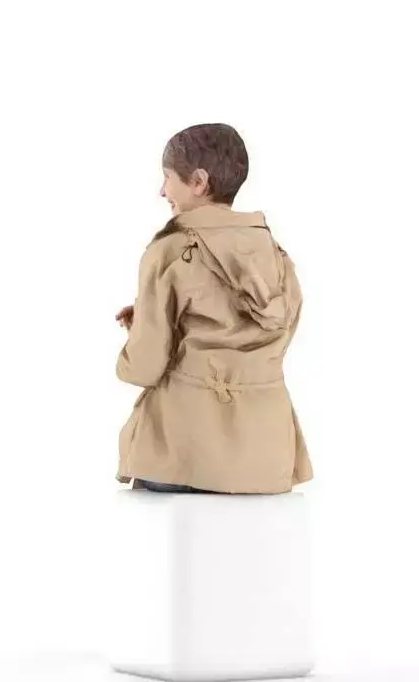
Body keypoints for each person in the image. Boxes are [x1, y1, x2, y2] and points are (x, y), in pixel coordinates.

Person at [114, 123, 313, 494]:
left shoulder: (170, 251)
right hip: (267, 460)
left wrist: (137, 338)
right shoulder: (273, 252)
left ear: (198, 181)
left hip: (184, 457)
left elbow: (145, 365)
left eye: (167, 177)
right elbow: (275, 334)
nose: (162, 191)